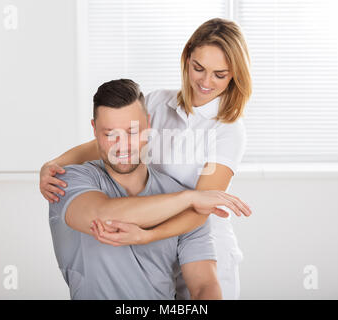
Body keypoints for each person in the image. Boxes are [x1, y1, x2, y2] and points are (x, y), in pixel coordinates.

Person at [41, 18, 252, 299]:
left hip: (194, 238)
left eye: (220, 74)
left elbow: (200, 207)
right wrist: (53, 165)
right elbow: (107, 141)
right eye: (198, 68)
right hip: (151, 240)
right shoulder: (156, 102)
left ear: (235, 74)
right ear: (187, 57)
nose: (205, 81)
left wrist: (148, 235)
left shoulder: (228, 130)